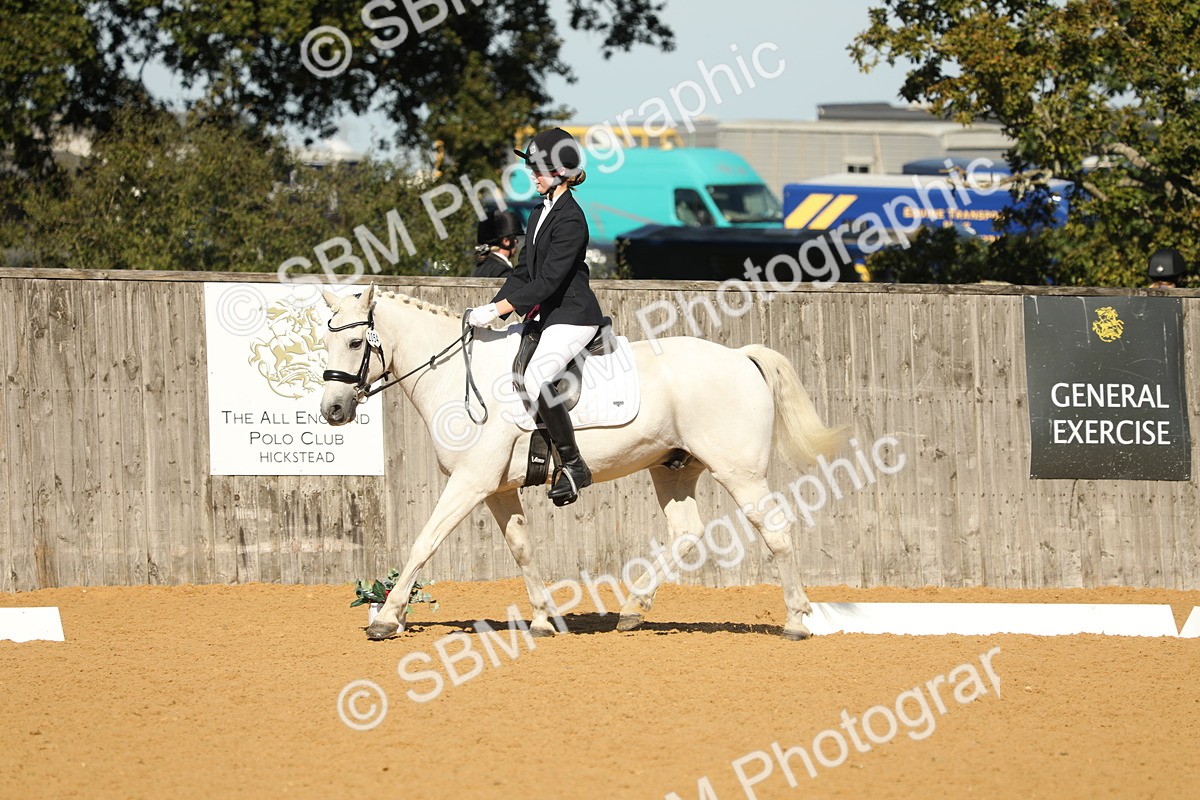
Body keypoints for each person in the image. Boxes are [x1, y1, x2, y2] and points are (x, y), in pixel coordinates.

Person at [467, 128, 604, 505]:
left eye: (538, 169)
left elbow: (548, 281)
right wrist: (490, 309)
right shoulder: (538, 212)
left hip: (573, 315)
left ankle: (574, 465)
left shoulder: (571, 219)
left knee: (536, 375)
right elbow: (524, 272)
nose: (532, 174)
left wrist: (499, 309)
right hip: (548, 316)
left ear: (560, 173)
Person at [473, 209, 524, 278]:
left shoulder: (479, 266)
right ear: (506, 241)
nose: (516, 241)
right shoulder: (503, 271)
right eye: (514, 237)